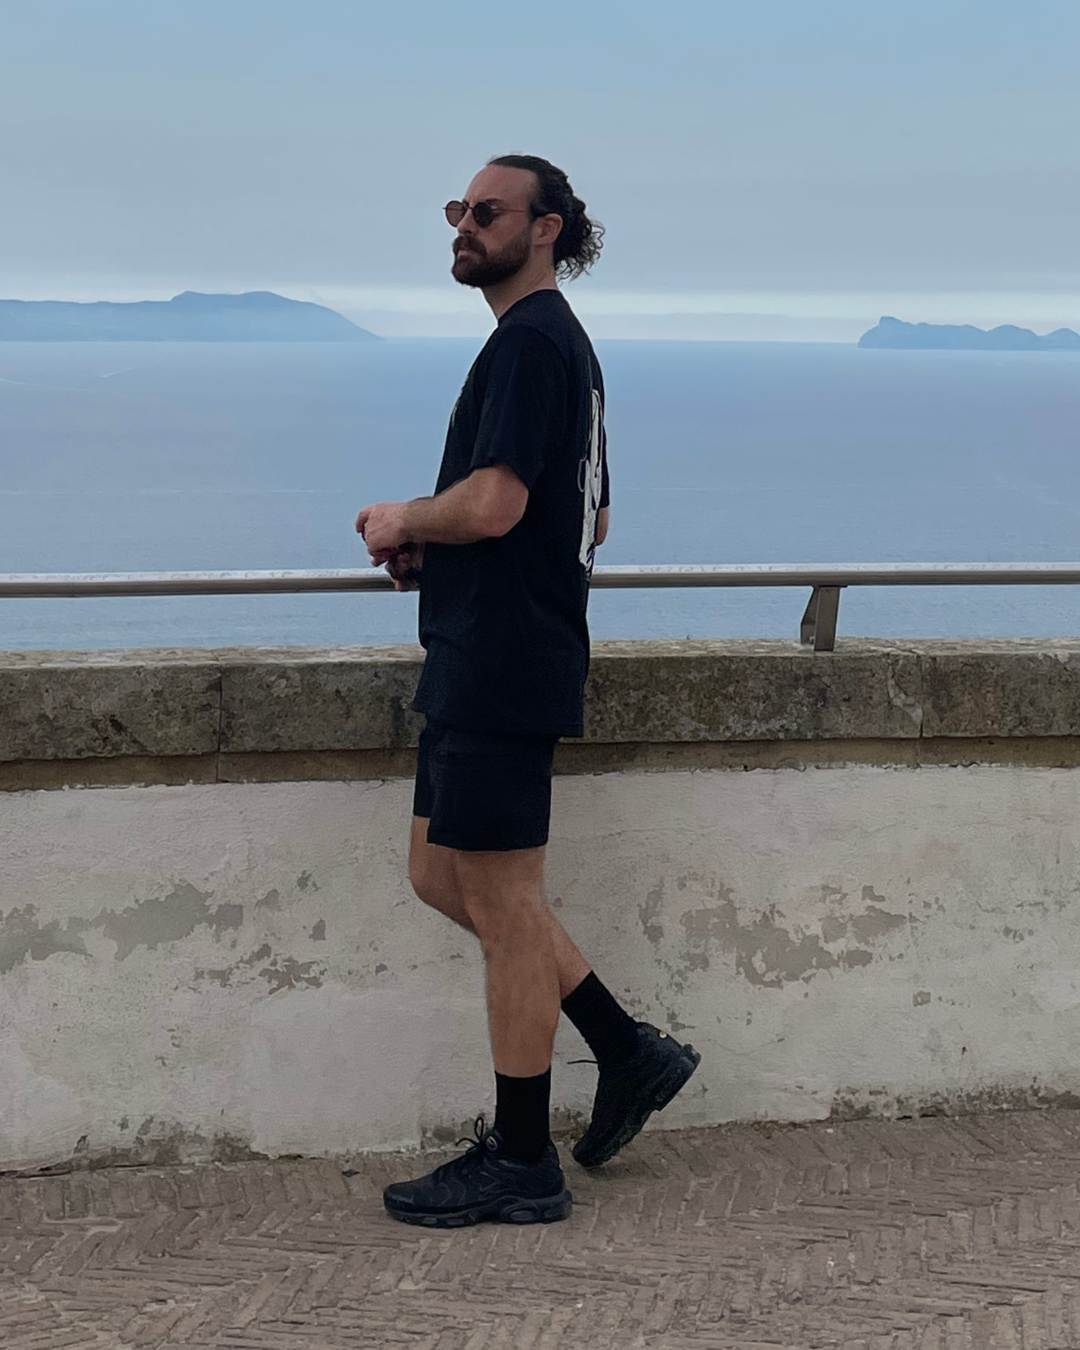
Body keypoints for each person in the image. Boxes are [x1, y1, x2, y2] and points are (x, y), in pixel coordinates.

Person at [355, 154, 700, 1229]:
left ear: (545, 229)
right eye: (456, 210)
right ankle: (626, 1048)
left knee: (504, 908)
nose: (463, 225)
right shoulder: (559, 354)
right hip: (483, 648)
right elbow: (584, 519)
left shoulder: (533, 342)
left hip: (504, 663)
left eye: (486, 212)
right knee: (434, 873)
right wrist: (443, 554)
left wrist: (408, 521)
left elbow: (499, 505)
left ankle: (521, 1160)